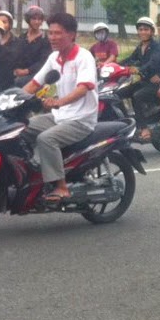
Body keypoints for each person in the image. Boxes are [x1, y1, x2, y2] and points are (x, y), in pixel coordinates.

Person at [23, 12, 98, 205]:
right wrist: (11, 99)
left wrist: (58, 102)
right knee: (21, 127)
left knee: (46, 139)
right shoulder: (54, 58)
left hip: (81, 119)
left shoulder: (84, 57)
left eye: (58, 33)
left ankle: (61, 187)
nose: (53, 37)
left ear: (72, 35)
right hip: (60, 116)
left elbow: (83, 88)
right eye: (50, 33)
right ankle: (36, 172)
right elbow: (34, 83)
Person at [121, 16, 160, 139]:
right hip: (144, 81)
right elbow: (130, 59)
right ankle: (125, 123)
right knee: (118, 93)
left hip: (155, 82)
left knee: (137, 96)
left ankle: (144, 127)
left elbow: (153, 62)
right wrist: (112, 66)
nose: (143, 32)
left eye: (146, 29)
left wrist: (139, 69)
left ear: (151, 31)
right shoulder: (140, 47)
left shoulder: (156, 46)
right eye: (140, 29)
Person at [12, 6, 51, 86]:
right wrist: (16, 69)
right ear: (28, 20)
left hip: (37, 74)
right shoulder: (22, 37)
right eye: (34, 19)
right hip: (20, 72)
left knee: (19, 82)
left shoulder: (45, 40)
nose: (37, 22)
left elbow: (43, 61)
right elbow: (16, 56)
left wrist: (27, 71)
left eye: (39, 19)